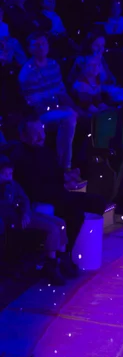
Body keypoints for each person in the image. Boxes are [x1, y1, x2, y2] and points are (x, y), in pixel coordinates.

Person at [8, 116, 107, 270]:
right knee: (75, 214)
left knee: (97, 202)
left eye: (42, 131)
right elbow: (33, 188)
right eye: (36, 133)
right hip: (41, 198)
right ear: (24, 136)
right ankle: (63, 256)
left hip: (58, 194)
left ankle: (79, 248)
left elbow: (54, 173)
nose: (41, 136)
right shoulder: (20, 156)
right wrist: (61, 183)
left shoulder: (45, 150)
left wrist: (67, 177)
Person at [18, 32, 79, 176]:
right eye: (36, 45)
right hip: (39, 116)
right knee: (68, 117)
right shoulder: (27, 73)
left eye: (43, 44)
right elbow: (36, 106)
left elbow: (62, 92)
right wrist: (62, 109)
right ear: (29, 49)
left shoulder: (53, 64)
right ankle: (64, 167)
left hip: (57, 109)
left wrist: (77, 109)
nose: (41, 47)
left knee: (75, 113)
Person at [0, 155, 67, 285]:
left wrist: (26, 212)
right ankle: (51, 266)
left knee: (60, 223)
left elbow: (24, 198)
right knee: (52, 229)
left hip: (26, 213)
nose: (8, 177)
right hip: (13, 218)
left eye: (10, 173)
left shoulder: (13, 184)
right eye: (4, 174)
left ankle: (62, 260)